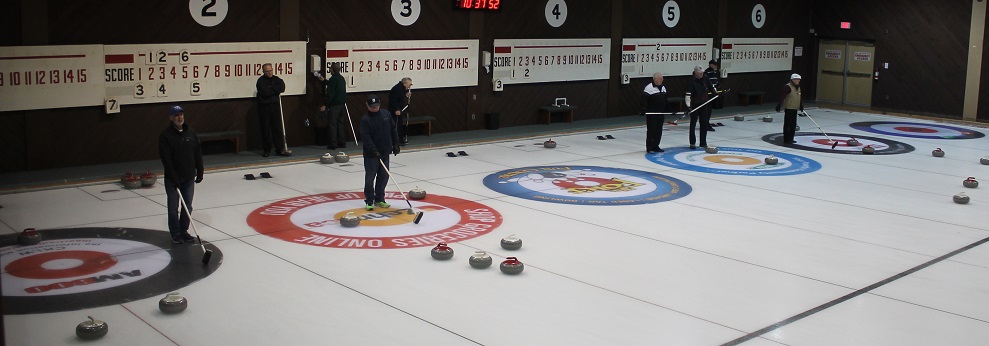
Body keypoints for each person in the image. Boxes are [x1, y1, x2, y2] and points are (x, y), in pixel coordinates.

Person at [158, 105, 204, 245]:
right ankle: (176, 233)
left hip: (189, 176)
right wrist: (173, 177)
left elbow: (197, 152)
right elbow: (166, 159)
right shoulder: (166, 136)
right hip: (173, 179)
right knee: (173, 208)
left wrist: (200, 169)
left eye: (181, 114)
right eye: (176, 115)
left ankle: (184, 230)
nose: (180, 117)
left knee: (187, 206)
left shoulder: (191, 133)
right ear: (171, 117)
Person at [359, 95, 400, 211]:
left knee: (384, 176)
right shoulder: (365, 120)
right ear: (367, 106)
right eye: (372, 107)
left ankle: (380, 199)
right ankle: (369, 200)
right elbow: (366, 139)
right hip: (371, 155)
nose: (375, 108)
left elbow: (393, 130)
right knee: (370, 178)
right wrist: (374, 151)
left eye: (376, 106)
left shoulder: (386, 114)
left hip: (385, 152)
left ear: (380, 104)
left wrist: (396, 144)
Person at [256, 63, 289, 157]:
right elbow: (265, 93)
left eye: (270, 70)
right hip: (264, 108)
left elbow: (282, 88)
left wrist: (271, 88)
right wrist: (275, 90)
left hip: (275, 107)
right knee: (265, 129)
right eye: (267, 71)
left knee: (277, 129)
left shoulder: (277, 79)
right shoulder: (260, 81)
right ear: (263, 72)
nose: (269, 73)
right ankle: (267, 150)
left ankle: (279, 149)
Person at [685, 65, 719, 149]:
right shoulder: (691, 81)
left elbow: (711, 87)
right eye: (700, 73)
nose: (701, 74)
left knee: (704, 123)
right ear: (695, 73)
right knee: (692, 124)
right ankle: (692, 143)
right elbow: (688, 95)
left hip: (704, 104)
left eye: (702, 73)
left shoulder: (705, 77)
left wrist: (715, 92)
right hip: (695, 105)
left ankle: (703, 142)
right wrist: (689, 107)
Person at [317, 62, 348, 150]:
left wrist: (325, 105)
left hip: (334, 105)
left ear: (333, 70)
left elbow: (330, 94)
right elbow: (335, 86)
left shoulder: (333, 79)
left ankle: (333, 144)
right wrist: (324, 81)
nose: (329, 69)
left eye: (330, 68)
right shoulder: (341, 78)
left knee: (332, 124)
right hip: (342, 105)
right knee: (340, 124)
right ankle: (342, 142)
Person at [641, 72, 669, 153]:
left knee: (659, 130)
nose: (662, 80)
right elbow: (643, 100)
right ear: (656, 79)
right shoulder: (649, 88)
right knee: (651, 130)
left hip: (661, 112)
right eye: (661, 78)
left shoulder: (663, 87)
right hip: (652, 113)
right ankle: (649, 147)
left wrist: (669, 109)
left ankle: (656, 145)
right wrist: (643, 109)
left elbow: (665, 100)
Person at [775, 73, 805, 145]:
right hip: (789, 108)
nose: (798, 81)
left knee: (793, 124)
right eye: (797, 80)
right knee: (788, 124)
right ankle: (786, 139)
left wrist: (801, 105)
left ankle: (791, 138)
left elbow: (799, 96)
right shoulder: (788, 87)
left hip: (795, 108)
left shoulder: (798, 87)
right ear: (793, 80)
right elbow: (783, 95)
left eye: (799, 80)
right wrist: (779, 104)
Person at [388, 77, 413, 146]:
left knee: (400, 125)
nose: (410, 86)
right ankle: (396, 141)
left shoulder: (401, 88)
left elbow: (400, 96)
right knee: (396, 126)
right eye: (409, 84)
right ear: (405, 83)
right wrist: (396, 109)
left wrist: (405, 94)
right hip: (395, 110)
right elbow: (393, 100)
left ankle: (400, 140)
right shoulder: (397, 89)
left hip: (399, 109)